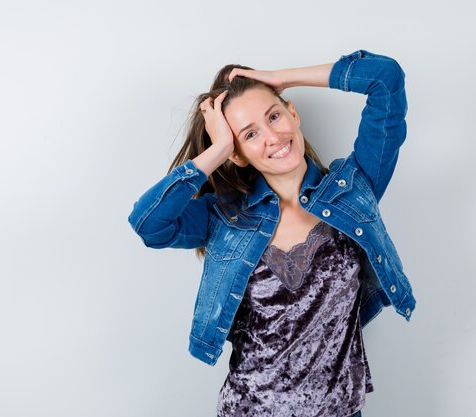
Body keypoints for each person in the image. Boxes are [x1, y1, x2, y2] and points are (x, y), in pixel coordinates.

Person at [128, 49, 416, 417]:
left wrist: (282, 77)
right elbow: (148, 225)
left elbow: (385, 79)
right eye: (250, 134)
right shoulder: (224, 216)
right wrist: (217, 150)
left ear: (292, 113)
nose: (273, 137)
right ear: (237, 153)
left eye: (274, 115)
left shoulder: (354, 191)